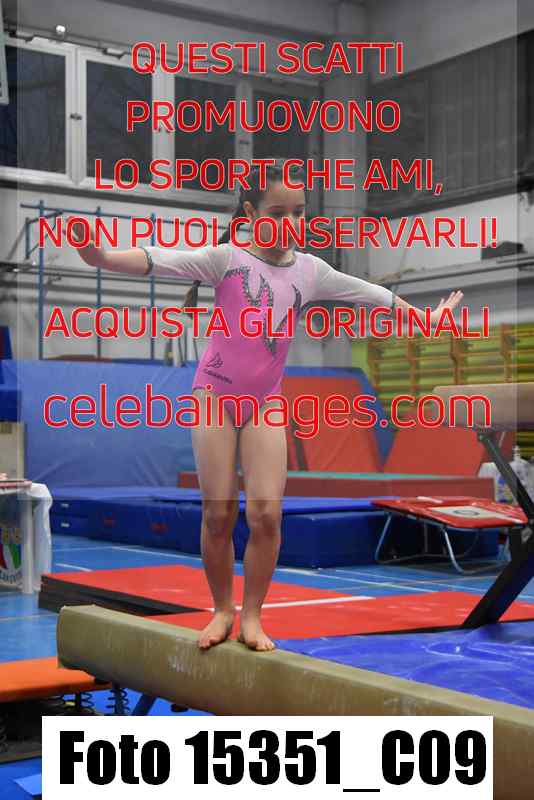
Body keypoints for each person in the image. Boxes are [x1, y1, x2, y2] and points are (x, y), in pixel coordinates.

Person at [67, 160, 463, 652]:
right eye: (279, 212)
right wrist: (98, 254)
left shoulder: (311, 271)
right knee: (218, 515)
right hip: (214, 398)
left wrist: (424, 319)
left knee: (267, 516)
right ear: (251, 213)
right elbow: (155, 260)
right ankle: (221, 610)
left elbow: (372, 296)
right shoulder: (225, 259)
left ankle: (252, 616)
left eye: (299, 212)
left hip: (264, 403)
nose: (291, 223)